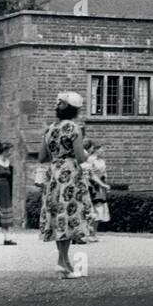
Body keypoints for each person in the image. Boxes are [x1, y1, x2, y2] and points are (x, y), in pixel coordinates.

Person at [39, 91, 95, 278]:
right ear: (75, 110)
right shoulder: (74, 128)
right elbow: (80, 157)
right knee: (69, 214)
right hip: (70, 173)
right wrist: (88, 156)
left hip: (54, 173)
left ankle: (62, 262)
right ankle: (63, 262)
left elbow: (41, 157)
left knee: (58, 216)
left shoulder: (49, 129)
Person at [83, 139, 111, 237]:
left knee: (101, 209)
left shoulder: (102, 161)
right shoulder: (90, 159)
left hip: (101, 186)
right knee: (95, 209)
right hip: (93, 186)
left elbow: (104, 173)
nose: (102, 151)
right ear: (95, 150)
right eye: (100, 149)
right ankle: (90, 233)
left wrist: (105, 184)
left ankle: (93, 233)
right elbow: (90, 174)